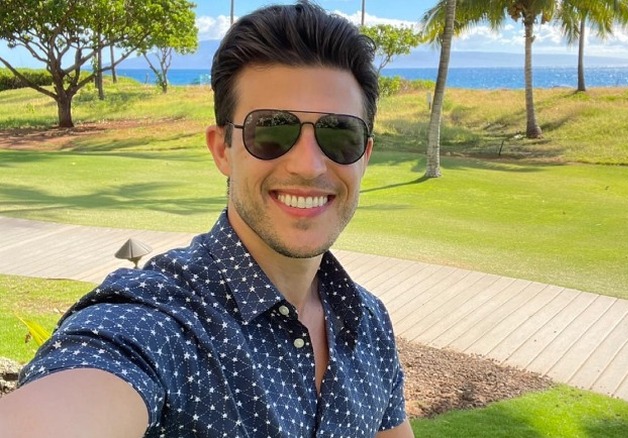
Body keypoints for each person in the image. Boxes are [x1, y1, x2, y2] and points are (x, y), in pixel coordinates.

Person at [0, 2, 413, 437]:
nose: (308, 166)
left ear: (364, 156)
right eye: (271, 130)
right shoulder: (162, 320)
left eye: (339, 134)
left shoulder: (367, 321)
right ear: (222, 150)